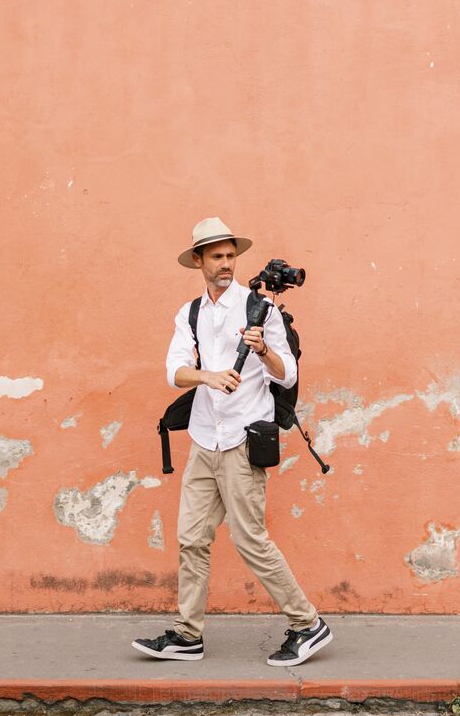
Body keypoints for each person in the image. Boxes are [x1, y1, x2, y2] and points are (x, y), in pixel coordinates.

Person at [132, 217, 332, 667]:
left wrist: (263, 351)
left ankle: (307, 624)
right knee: (191, 539)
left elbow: (289, 373)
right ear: (199, 262)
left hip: (244, 440)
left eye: (230, 256)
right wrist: (209, 376)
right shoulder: (190, 314)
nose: (225, 264)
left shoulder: (260, 309)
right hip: (205, 439)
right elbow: (175, 370)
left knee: (250, 539)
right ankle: (187, 635)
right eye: (216, 257)